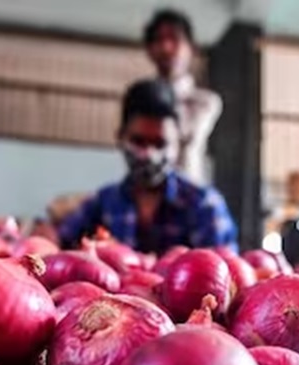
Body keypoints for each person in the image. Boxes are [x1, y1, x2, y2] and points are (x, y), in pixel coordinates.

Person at [58, 80, 237, 254]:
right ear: (120, 137)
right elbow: (59, 239)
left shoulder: (204, 205)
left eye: (160, 144)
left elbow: (223, 273)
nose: (148, 154)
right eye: (138, 141)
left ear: (177, 144)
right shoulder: (104, 202)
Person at [144, 9, 222, 185]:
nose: (166, 47)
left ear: (191, 49)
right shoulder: (141, 98)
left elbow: (186, 141)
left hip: (190, 196)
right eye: (158, 40)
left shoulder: (206, 102)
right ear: (149, 50)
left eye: (174, 39)